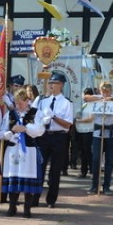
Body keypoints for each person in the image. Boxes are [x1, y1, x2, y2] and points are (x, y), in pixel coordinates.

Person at [0, 88, 44, 217]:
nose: (18, 106)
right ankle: (12, 206)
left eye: (21, 103)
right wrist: (8, 133)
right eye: (16, 103)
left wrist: (25, 128)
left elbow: (40, 131)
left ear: (27, 101)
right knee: (13, 178)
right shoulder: (10, 114)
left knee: (28, 178)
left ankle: (27, 208)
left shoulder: (35, 113)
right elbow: (0, 133)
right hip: (13, 150)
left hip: (29, 150)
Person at [35, 73, 73, 208]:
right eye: (50, 82)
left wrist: (54, 117)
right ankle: (34, 198)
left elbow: (68, 124)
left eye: (55, 83)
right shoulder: (43, 101)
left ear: (61, 85)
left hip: (59, 137)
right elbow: (37, 119)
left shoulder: (66, 103)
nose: (51, 85)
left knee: (55, 171)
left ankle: (51, 200)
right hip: (44, 136)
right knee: (39, 167)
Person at [85, 83, 113, 194]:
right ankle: (94, 185)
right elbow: (86, 98)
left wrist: (112, 99)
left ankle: (107, 186)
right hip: (98, 133)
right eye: (103, 91)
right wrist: (100, 99)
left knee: (109, 161)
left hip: (111, 133)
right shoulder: (98, 98)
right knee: (96, 159)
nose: (105, 93)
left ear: (110, 91)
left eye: (107, 91)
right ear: (100, 90)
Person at [73, 88, 96, 178]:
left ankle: (92, 171)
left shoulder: (93, 105)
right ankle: (83, 171)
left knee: (88, 152)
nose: (83, 96)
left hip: (88, 131)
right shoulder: (84, 105)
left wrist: (79, 120)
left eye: (84, 94)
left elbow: (91, 118)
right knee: (82, 152)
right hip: (80, 131)